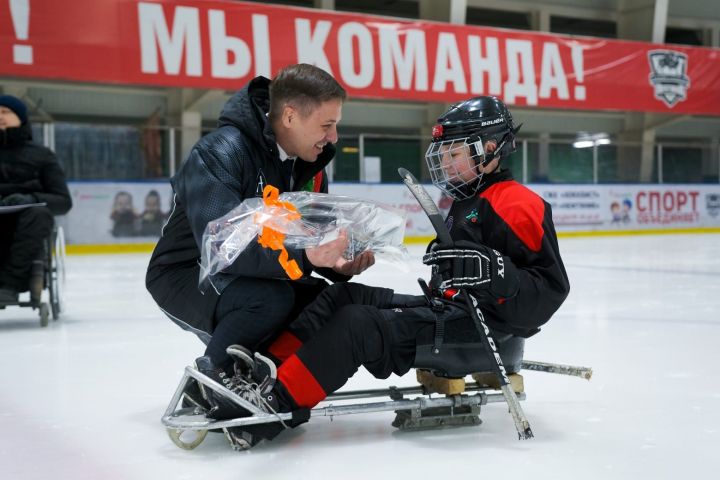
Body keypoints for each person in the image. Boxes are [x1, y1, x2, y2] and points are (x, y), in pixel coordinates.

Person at [212, 96, 571, 450]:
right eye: (443, 154)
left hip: (484, 333)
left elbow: (550, 291)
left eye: (454, 154)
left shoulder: (519, 204)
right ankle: (266, 371)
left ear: (489, 149)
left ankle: (274, 405)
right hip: (451, 312)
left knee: (358, 325)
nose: (445, 163)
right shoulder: (468, 200)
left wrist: (496, 273)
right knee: (342, 296)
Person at [145, 64, 375, 413]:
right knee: (269, 301)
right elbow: (220, 248)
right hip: (185, 272)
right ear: (290, 116)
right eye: (327, 125)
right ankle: (211, 383)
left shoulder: (308, 166)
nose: (334, 137)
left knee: (322, 300)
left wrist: (340, 264)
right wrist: (306, 259)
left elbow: (311, 242)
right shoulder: (221, 152)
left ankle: (261, 377)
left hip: (251, 271)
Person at [0, 95, 72, 303]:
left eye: (5, 112)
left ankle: (9, 285)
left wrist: (29, 198)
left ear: (21, 118)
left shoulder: (42, 156)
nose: (0, 116)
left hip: (25, 221)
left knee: (39, 214)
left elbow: (62, 200)